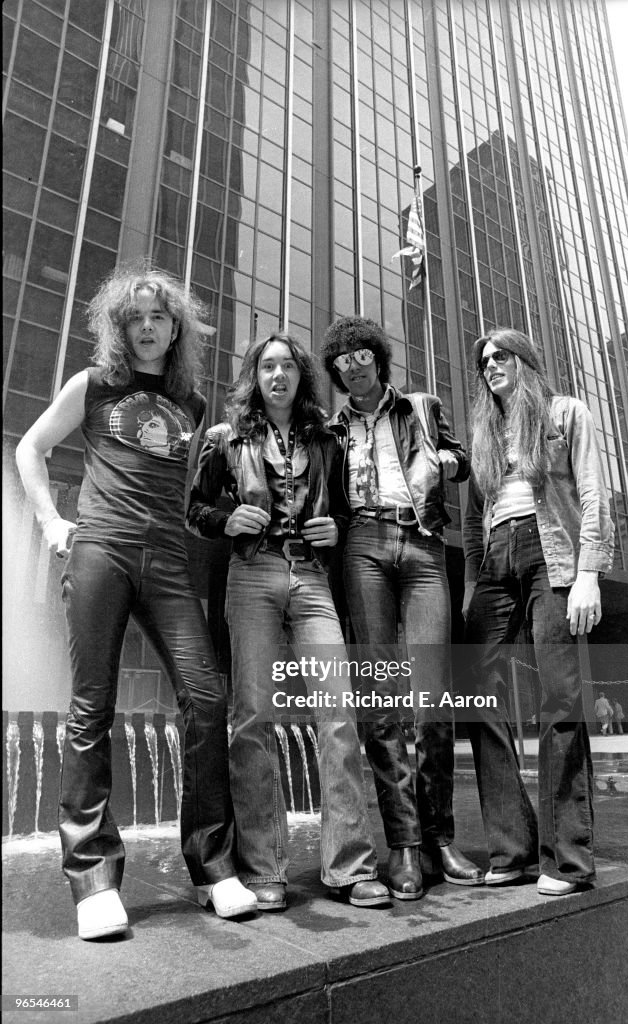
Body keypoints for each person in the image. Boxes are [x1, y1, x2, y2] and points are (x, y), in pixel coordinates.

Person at [15, 267, 257, 940]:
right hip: (103, 550)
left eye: (159, 316)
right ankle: (92, 876)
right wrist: (51, 522)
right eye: (136, 317)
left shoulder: (192, 402)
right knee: (93, 704)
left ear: (176, 327)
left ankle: (212, 866)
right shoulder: (93, 386)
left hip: (169, 560)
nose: (148, 326)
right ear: (119, 327)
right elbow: (31, 448)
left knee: (206, 699)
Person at [187, 332, 391, 911]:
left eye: (288, 366)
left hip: (311, 577)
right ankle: (263, 868)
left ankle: (349, 866)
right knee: (252, 716)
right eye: (267, 366)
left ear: (302, 376)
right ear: (255, 375)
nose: (278, 375)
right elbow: (196, 510)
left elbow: (348, 508)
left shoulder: (326, 439)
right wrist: (227, 520)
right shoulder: (227, 439)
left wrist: (337, 528)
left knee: (339, 716)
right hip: (251, 576)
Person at [321, 316, 483, 899]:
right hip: (362, 544)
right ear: (335, 370)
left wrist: (449, 463)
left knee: (432, 693)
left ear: (378, 358)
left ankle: (442, 839)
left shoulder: (419, 406)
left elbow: (461, 457)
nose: (353, 363)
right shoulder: (330, 428)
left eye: (362, 352)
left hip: (422, 542)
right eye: (342, 358)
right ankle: (407, 847)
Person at [462, 328, 614, 897]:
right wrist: (475, 585)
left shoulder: (566, 413)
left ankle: (569, 859)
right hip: (497, 558)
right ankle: (514, 848)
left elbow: (594, 494)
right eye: (484, 362)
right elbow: (477, 515)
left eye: (500, 356)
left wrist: (588, 573)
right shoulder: (486, 433)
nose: (491, 365)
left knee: (560, 699)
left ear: (524, 360)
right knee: (475, 691)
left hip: (552, 552)